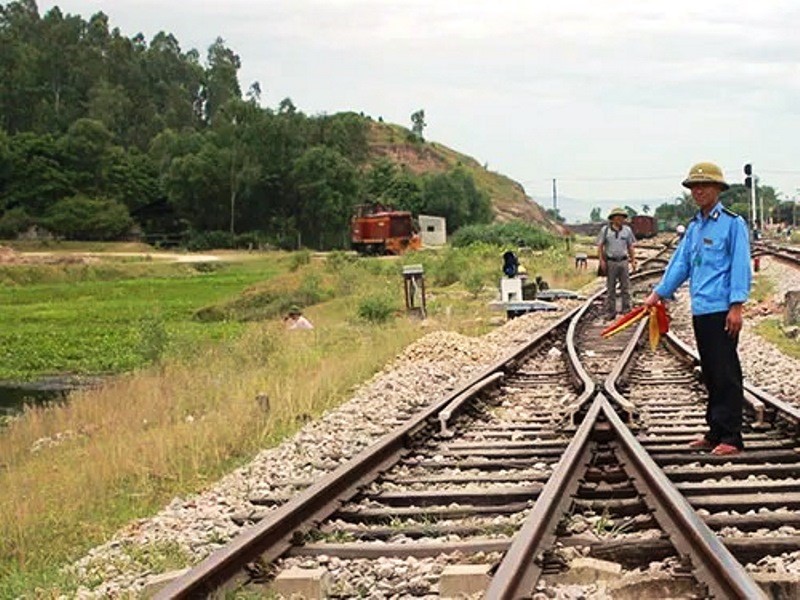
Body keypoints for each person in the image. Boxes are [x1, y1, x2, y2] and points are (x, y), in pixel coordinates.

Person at [643, 162, 751, 456]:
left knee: (726, 372)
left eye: (704, 185)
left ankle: (731, 436)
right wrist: (659, 293)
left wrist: (736, 306)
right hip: (701, 309)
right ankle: (715, 431)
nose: (698, 191)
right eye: (694, 187)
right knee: (711, 372)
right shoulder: (694, 227)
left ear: (718, 189)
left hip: (722, 310)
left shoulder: (732, 224)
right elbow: (681, 264)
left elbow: (741, 266)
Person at [597, 207, 637, 319]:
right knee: (611, 288)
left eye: (622, 217)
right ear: (613, 219)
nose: (620, 219)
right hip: (611, 262)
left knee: (626, 287)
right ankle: (611, 311)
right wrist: (601, 261)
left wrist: (633, 260)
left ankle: (627, 310)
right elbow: (600, 246)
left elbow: (630, 246)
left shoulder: (627, 230)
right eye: (618, 217)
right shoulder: (605, 231)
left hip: (623, 261)